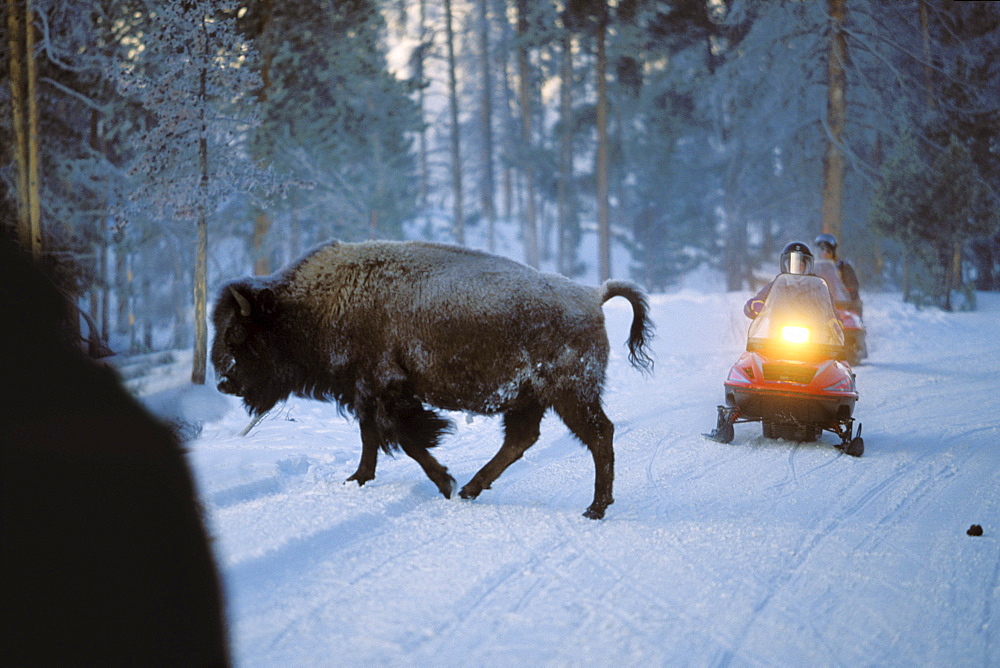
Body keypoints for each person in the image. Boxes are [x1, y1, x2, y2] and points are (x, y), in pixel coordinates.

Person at [744, 241, 813, 318]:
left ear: (807, 266)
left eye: (800, 265)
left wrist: (828, 318)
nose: (796, 267)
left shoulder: (816, 285)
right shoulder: (778, 283)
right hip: (779, 326)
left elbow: (827, 302)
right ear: (787, 265)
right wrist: (753, 304)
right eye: (793, 264)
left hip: (811, 326)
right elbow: (761, 296)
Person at [813, 233, 862, 315]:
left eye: (828, 251)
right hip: (816, 305)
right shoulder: (811, 266)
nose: (825, 253)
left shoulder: (843, 267)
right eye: (822, 250)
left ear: (833, 252)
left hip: (839, 305)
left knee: (855, 307)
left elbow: (853, 286)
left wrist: (851, 295)